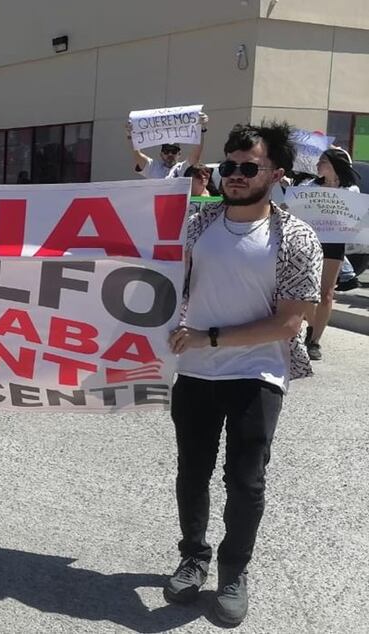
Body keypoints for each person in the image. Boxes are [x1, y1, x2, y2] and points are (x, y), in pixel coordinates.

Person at [166, 122, 322, 625]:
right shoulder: (196, 223)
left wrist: (210, 337)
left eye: (247, 167)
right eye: (226, 167)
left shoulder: (296, 237)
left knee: (246, 481)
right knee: (192, 471)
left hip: (257, 374)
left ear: (275, 173)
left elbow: (289, 323)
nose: (234, 175)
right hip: (194, 373)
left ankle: (233, 573)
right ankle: (193, 556)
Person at [291, 146, 361, 360]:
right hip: (310, 242)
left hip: (334, 243)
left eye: (323, 161)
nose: (318, 165)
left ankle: (314, 341)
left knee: (327, 292)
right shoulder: (310, 186)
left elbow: (355, 219)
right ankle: (310, 326)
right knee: (308, 292)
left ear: (334, 166)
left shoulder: (351, 191)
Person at [126, 112, 209, 178]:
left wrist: (201, 130)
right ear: (161, 154)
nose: (170, 154)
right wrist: (131, 136)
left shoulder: (183, 168)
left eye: (174, 151)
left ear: (179, 154)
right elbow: (137, 156)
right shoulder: (154, 168)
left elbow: (196, 156)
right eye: (166, 151)